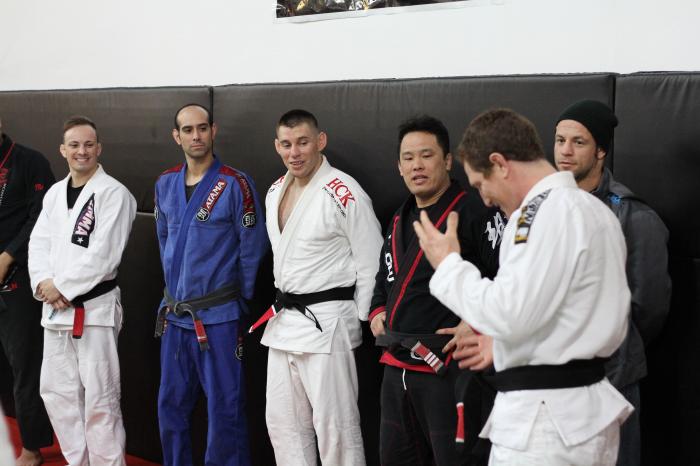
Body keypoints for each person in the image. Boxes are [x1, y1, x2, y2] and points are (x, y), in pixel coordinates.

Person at [414, 108, 634, 465]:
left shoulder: (538, 214)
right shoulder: (594, 210)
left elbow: (510, 313)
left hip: (546, 423)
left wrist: (449, 266)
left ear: (500, 164)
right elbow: (559, 310)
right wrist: (504, 347)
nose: (485, 199)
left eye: (480, 184)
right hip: (580, 412)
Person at [251, 109, 382, 465]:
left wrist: (363, 317)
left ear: (320, 141)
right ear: (277, 146)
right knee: (283, 427)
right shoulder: (274, 191)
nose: (294, 152)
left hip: (328, 324)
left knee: (336, 430)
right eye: (287, 144)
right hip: (284, 324)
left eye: (303, 142)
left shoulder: (344, 191)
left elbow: (371, 258)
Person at [369, 115, 502, 465]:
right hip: (397, 365)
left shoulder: (474, 210)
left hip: (448, 368)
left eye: (426, 155)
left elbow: (507, 277)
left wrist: (477, 324)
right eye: (408, 158)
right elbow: (385, 275)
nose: (417, 165)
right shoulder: (399, 216)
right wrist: (378, 309)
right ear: (399, 167)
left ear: (447, 161)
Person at [554, 99, 671, 466]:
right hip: (553, 380)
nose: (565, 151)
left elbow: (648, 306)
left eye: (578, 142)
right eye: (559, 140)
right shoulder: (543, 205)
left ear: (601, 151)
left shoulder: (633, 215)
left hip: (612, 379)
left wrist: (611, 345)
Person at [155, 103, 268, 466]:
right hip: (176, 316)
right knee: (170, 406)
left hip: (218, 317)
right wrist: (174, 291)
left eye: (202, 128)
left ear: (213, 131)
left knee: (225, 409)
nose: (196, 136)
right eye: (188, 130)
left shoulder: (235, 184)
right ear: (176, 136)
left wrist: (238, 299)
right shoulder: (165, 183)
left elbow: (252, 247)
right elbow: (163, 241)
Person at [28, 115, 136, 465]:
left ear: (99, 148)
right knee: (57, 394)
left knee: (101, 399)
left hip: (94, 311)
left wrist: (61, 286)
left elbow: (104, 255)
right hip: (55, 312)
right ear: (63, 150)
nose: (82, 151)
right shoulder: (54, 194)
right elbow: (38, 244)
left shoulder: (114, 194)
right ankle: (79, 461)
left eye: (89, 144)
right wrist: (43, 283)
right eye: (74, 145)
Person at [0, 118, 55, 466]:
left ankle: (32, 448)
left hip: (17, 281)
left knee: (26, 369)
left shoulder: (30, 162)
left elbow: (41, 219)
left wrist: (7, 257)